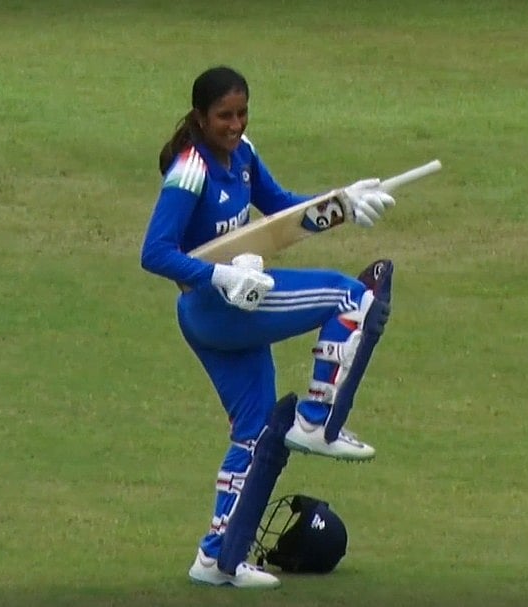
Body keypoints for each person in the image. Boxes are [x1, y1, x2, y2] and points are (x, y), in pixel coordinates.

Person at [139, 66, 397, 588]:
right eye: (224, 116)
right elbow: (155, 253)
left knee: (254, 434)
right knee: (348, 296)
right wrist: (220, 275)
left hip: (231, 306)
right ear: (199, 117)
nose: (234, 124)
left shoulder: (245, 155)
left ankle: (218, 558)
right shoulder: (191, 171)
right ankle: (317, 419)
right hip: (216, 307)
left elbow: (281, 211)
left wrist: (341, 204)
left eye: (241, 113)